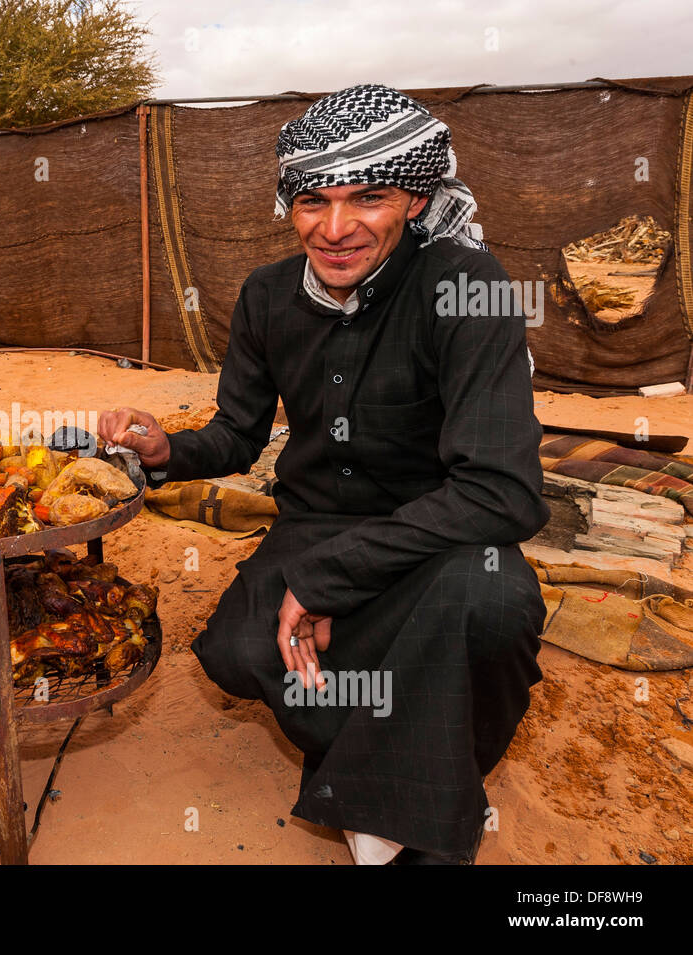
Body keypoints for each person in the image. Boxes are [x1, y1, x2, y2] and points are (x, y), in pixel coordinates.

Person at [98, 85, 548, 864]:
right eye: (313, 200)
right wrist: (167, 449)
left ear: (413, 197)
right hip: (313, 527)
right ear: (290, 202)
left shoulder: (468, 287)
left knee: (494, 601)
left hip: (434, 538)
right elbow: (238, 435)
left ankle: (401, 815)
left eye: (367, 196)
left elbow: (501, 491)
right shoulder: (266, 295)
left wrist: (332, 581)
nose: (335, 229)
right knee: (242, 650)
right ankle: (388, 757)